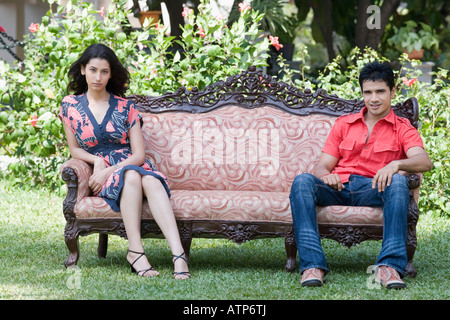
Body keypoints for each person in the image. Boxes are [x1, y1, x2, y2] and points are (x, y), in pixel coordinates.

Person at [289, 61, 432, 289]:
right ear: (362, 93)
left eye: (380, 91)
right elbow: (322, 166)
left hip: (374, 188)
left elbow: (424, 161)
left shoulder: (403, 128)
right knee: (302, 181)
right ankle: (312, 266)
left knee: (397, 182)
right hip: (338, 188)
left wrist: (395, 164)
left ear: (392, 91)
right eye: (368, 92)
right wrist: (327, 175)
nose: (373, 98)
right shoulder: (345, 124)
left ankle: (389, 267)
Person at [59, 43, 190, 279]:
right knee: (133, 177)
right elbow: (74, 150)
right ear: (82, 70)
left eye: (104, 71)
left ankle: (177, 254)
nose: (98, 77)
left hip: (130, 165)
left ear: (111, 74)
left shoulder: (126, 106)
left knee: (147, 180)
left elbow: (138, 156)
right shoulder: (70, 105)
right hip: (104, 177)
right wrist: (97, 163)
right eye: (93, 70)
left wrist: (109, 170)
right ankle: (137, 252)